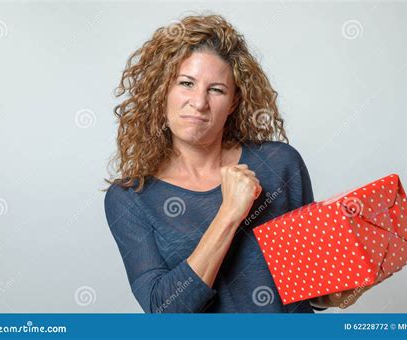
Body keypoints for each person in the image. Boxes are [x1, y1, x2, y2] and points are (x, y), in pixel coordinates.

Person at [103, 14, 376, 313]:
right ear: (161, 91)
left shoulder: (280, 164)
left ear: (233, 101)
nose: (199, 102)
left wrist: (344, 290)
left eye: (216, 89)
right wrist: (230, 212)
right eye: (186, 83)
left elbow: (309, 293)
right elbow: (164, 311)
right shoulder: (131, 198)